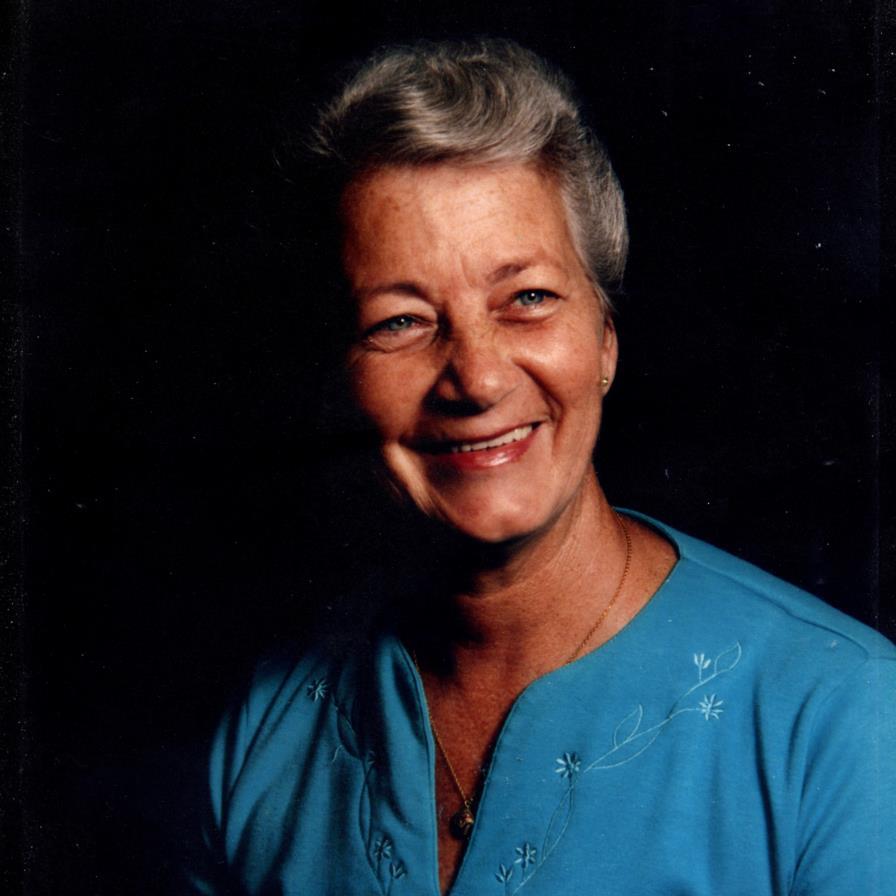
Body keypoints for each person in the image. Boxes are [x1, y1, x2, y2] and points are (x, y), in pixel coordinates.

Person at [186, 40, 896, 895]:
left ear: (605, 341)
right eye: (400, 321)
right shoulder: (262, 728)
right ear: (338, 378)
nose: (478, 379)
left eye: (528, 299)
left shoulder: (845, 721)